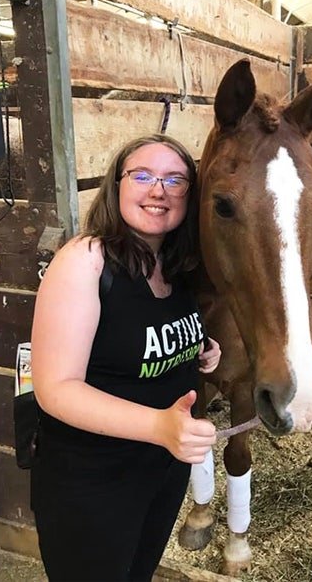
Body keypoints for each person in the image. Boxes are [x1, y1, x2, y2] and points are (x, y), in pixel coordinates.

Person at [28, 134, 222, 581]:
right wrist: (158, 426)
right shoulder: (86, 260)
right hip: (93, 479)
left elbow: (139, 344)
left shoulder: (175, 267)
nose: (159, 190)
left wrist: (198, 351)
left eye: (175, 180)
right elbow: (56, 389)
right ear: (117, 185)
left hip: (160, 472)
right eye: (143, 176)